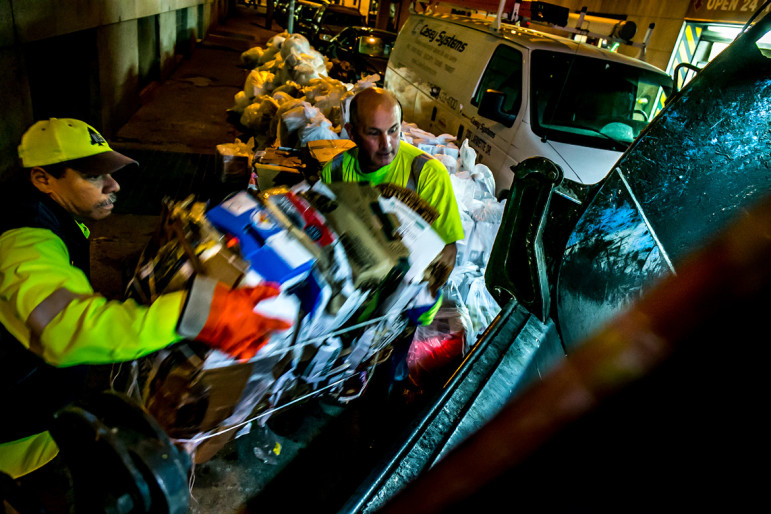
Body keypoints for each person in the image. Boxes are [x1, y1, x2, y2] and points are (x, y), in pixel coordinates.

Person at [0, 118, 291, 481]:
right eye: (93, 177)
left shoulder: (52, 217)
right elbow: (66, 326)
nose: (114, 185)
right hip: (12, 445)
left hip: (43, 420)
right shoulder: (23, 243)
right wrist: (195, 312)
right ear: (43, 179)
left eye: (110, 173)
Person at [321, 87, 464, 296]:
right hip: (353, 287)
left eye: (393, 130)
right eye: (373, 133)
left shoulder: (428, 173)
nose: (386, 144)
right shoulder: (335, 172)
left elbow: (446, 256)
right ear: (351, 132)